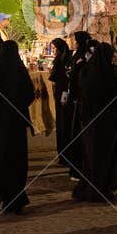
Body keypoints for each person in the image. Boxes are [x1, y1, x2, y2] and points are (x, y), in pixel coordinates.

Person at [0, 39, 35, 215]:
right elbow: (29, 93)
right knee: (17, 160)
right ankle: (16, 196)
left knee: (3, 158)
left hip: (0, 123)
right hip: (17, 123)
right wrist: (19, 104)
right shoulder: (20, 70)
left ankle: (5, 194)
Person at [74, 41, 117, 201]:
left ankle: (90, 187)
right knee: (104, 155)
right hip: (106, 121)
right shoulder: (110, 75)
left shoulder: (87, 72)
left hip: (89, 119)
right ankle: (100, 188)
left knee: (91, 155)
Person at [48, 37, 76, 168]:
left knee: (63, 125)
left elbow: (54, 77)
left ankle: (64, 155)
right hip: (66, 96)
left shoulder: (60, 60)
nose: (53, 51)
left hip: (62, 96)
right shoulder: (67, 58)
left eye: (54, 48)